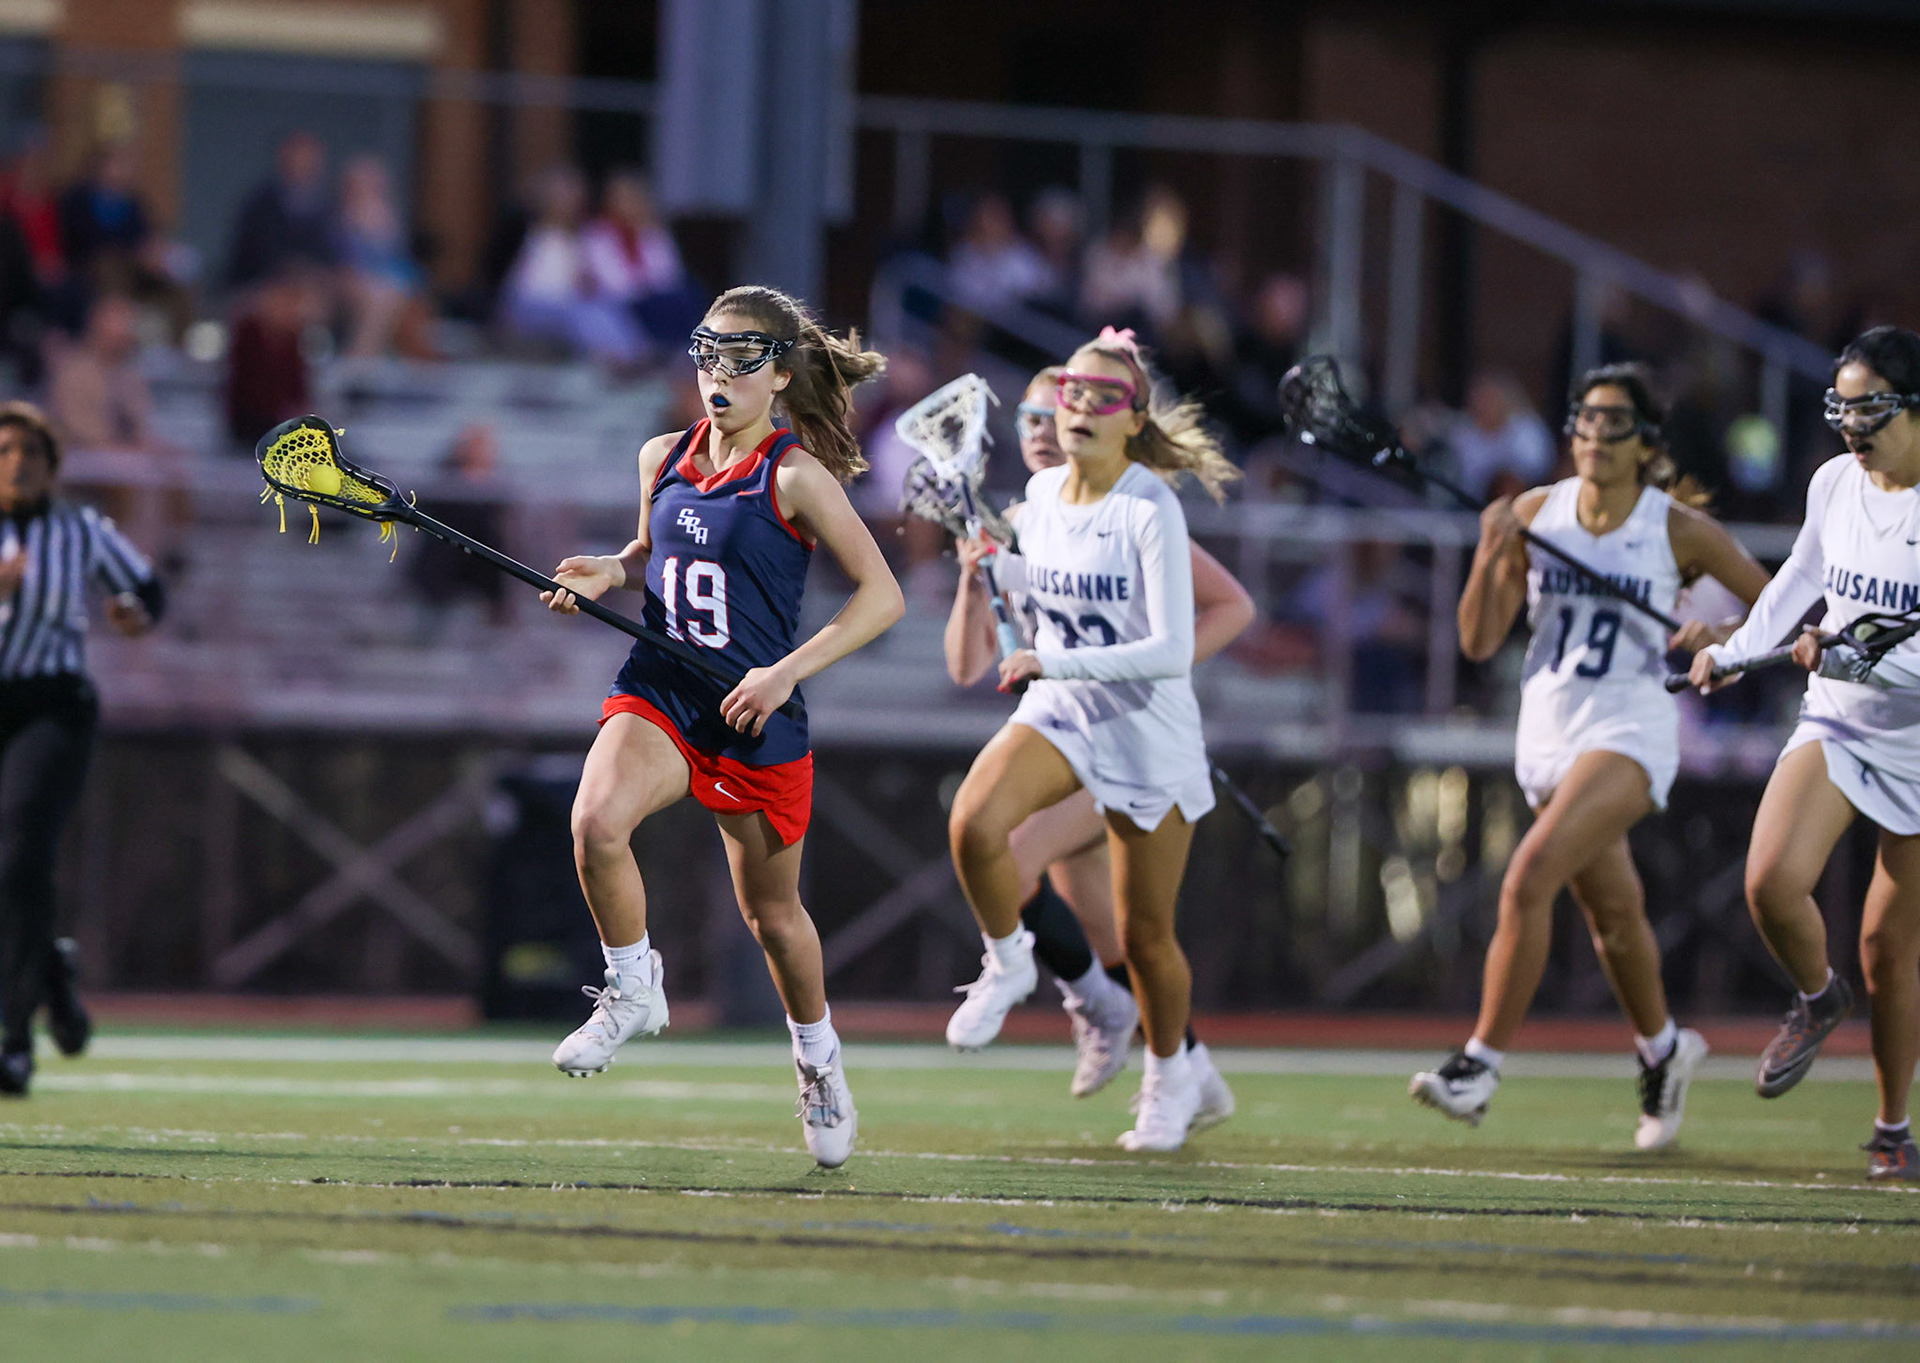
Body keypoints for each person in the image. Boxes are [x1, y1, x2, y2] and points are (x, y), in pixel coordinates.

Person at [540, 285, 901, 1168]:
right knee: (595, 822)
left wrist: (784, 674)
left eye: (743, 360)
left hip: (752, 712)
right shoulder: (661, 455)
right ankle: (633, 986)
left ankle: (818, 1060)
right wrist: (609, 572)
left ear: (779, 375)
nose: (719, 375)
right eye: (709, 354)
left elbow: (882, 594)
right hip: (664, 686)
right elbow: (656, 559)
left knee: (773, 918)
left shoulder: (795, 476)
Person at [1411, 362, 1770, 1151]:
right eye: (1587, 420)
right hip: (1547, 730)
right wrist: (1489, 549)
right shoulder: (1537, 512)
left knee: (1529, 874)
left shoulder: (1676, 527)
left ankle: (1477, 1064)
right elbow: (1477, 638)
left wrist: (1722, 638)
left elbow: (1774, 605)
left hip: (1631, 728)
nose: (1598, 436)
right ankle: (1665, 1049)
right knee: (1613, 915)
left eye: (1616, 423)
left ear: (1646, 444)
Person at [943, 326, 1240, 1152]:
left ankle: (1173, 1073)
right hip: (1066, 716)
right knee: (974, 822)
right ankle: (1008, 961)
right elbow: (1036, 593)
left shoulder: (1151, 506)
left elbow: (1172, 650)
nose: (1076, 407)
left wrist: (1052, 655)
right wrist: (990, 574)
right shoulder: (1037, 503)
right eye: (1070, 389)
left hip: (1147, 732)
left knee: (1145, 936)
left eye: (1101, 397)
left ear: (1134, 419)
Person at [1689, 326, 1920, 1182]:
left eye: (1872, 409)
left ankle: (1893, 1126)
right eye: (1843, 409)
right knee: (1770, 879)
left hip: (1919, 741)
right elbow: (1795, 583)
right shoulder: (1835, 483)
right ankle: (1820, 999)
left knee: (1890, 949)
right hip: (1840, 718)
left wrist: (1856, 653)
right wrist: (1737, 650)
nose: (1853, 427)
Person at [0, 401, 164, 1095]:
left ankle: (12, 1040)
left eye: (30, 453)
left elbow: (146, 588)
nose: (17, 463)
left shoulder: (77, 529)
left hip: (48, 706)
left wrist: (134, 614)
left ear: (51, 465)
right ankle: (53, 973)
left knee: (17, 859)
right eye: (5, 451)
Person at [226, 131, 337, 291]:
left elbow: (330, 254)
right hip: (260, 285)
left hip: (315, 286)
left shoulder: (326, 207)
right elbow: (260, 255)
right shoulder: (261, 204)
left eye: (311, 159)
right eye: (300, 158)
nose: (306, 165)